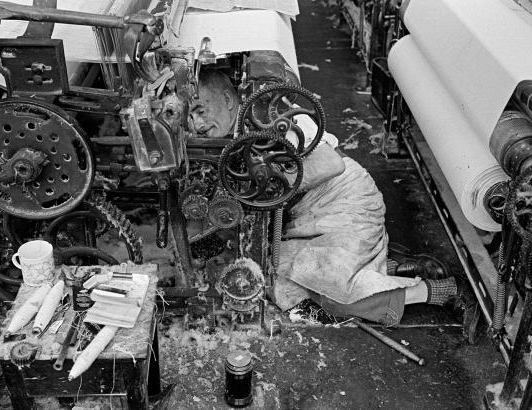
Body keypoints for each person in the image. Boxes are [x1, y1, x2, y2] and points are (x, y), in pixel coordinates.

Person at [190, 70, 478, 336]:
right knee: (278, 287)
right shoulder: (232, 137)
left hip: (346, 201)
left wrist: (270, 188)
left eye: (200, 111)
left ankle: (439, 290)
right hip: (311, 218)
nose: (197, 124)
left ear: (228, 99)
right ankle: (392, 268)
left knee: (335, 298)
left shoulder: (272, 116)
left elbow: (331, 163)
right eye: (191, 117)